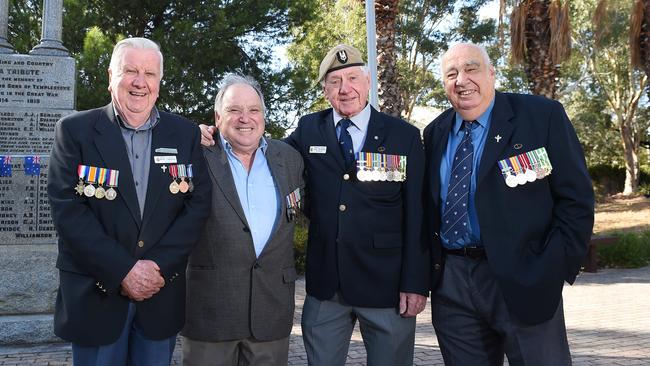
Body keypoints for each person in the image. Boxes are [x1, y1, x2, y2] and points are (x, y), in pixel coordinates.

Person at [201, 44, 430, 366]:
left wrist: (415, 283)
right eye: (335, 82)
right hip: (327, 288)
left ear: (367, 83)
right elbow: (260, 147)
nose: (345, 88)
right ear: (325, 90)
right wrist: (211, 131)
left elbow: (419, 214)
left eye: (352, 78)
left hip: (387, 288)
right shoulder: (310, 129)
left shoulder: (403, 136)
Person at [422, 42, 595, 366]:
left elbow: (577, 199)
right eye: (451, 73)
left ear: (491, 73)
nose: (462, 80)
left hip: (525, 276)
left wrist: (553, 265)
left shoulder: (540, 116)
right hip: (452, 284)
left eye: (471, 68)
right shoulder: (435, 133)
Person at [47, 37, 212, 365]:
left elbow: (197, 205)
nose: (140, 82)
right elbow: (68, 211)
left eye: (149, 74)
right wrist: (123, 270)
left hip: (159, 295)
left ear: (159, 82)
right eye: (130, 71)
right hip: (96, 297)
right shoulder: (75, 131)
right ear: (111, 76)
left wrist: (156, 269)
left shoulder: (185, 134)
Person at [182, 74, 304, 366]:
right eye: (234, 110)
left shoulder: (289, 159)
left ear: (263, 115)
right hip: (210, 313)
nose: (245, 118)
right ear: (218, 116)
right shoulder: (194, 153)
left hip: (271, 311)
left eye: (253, 110)